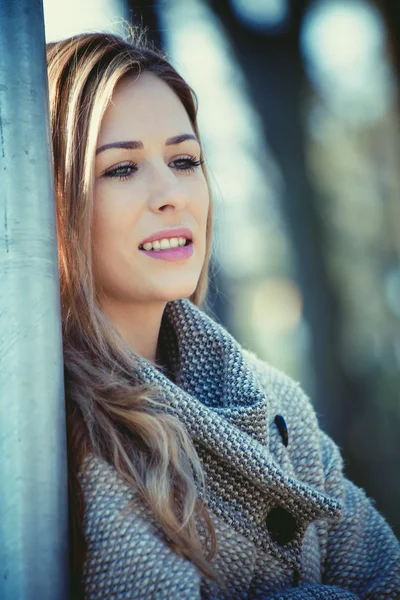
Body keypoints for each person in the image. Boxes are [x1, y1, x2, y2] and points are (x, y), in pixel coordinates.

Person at [46, 29, 400, 600]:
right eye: (121, 169)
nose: (172, 195)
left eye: (185, 160)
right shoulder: (57, 425)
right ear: (53, 200)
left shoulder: (275, 402)